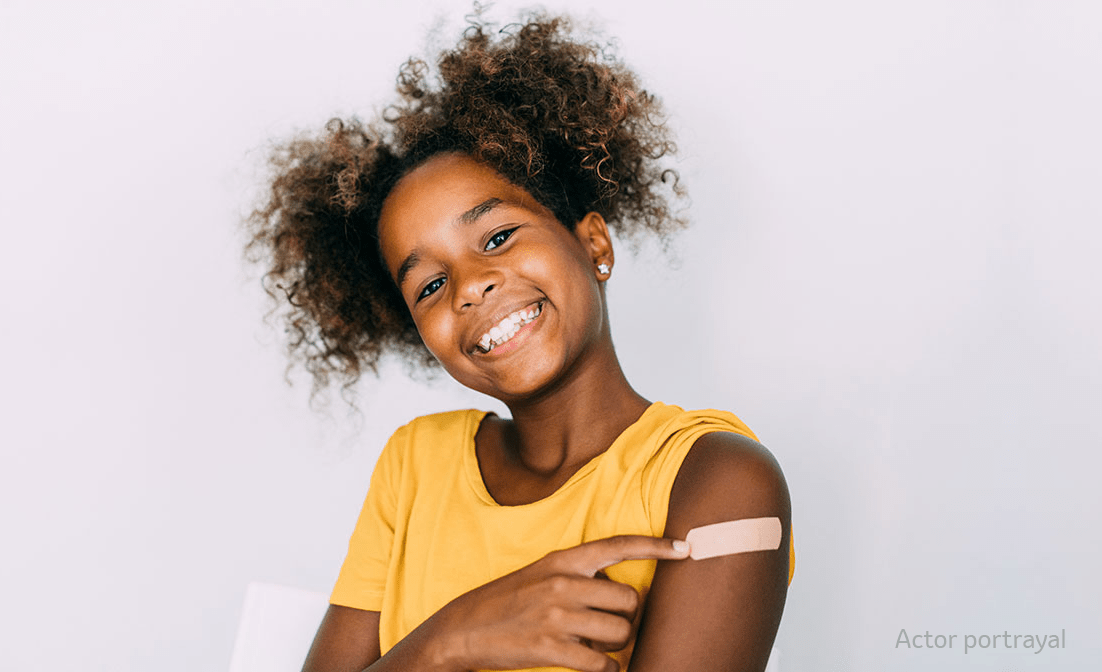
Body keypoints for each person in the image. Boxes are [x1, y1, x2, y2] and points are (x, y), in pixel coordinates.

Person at [245, 11, 794, 672]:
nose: (469, 288)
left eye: (498, 237)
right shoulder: (415, 467)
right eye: (430, 285)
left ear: (592, 242)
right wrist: (455, 636)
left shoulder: (716, 480)